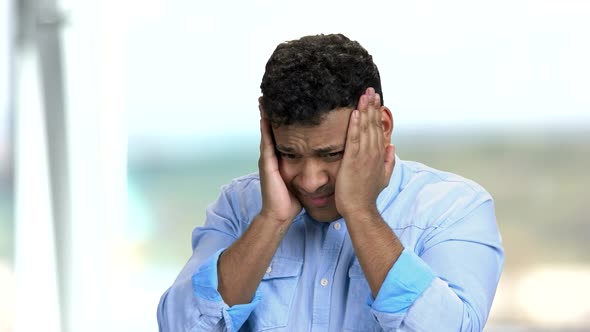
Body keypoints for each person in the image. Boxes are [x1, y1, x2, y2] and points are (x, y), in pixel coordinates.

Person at [157, 33, 504, 332]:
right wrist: (271, 221)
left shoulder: (455, 209)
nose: (309, 181)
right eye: (289, 154)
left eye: (332, 154)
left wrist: (361, 212)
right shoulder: (237, 206)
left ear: (381, 128)